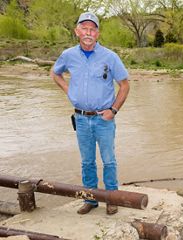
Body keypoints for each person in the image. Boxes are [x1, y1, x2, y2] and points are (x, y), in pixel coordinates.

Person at [50, 12, 130, 215]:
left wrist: (113, 110)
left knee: (109, 161)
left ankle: (112, 199)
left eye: (92, 29)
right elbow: (55, 73)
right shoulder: (68, 55)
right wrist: (69, 91)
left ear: (98, 33)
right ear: (77, 32)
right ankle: (90, 199)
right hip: (81, 119)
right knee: (87, 162)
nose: (88, 32)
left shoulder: (110, 57)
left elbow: (125, 85)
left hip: (104, 119)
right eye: (84, 28)